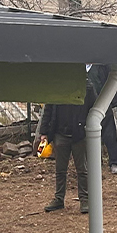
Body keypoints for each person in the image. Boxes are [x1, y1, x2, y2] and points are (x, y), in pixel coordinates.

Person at [37, 85, 96, 214]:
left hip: (79, 135)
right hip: (60, 134)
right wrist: (44, 132)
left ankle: (85, 200)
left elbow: (95, 110)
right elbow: (48, 110)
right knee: (60, 169)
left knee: (82, 169)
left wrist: (90, 128)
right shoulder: (56, 88)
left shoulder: (86, 88)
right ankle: (59, 199)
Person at [87, 64, 117, 175]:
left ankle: (114, 163)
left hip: (104, 103)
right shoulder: (79, 67)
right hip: (85, 104)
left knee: (109, 134)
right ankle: (94, 163)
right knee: (89, 135)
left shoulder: (102, 65)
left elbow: (112, 81)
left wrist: (111, 101)